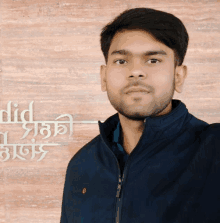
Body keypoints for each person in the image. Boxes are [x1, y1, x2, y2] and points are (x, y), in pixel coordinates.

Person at [60, 7, 220, 223]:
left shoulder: (213, 150)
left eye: (153, 60)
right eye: (121, 61)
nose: (136, 72)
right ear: (104, 77)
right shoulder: (83, 164)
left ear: (178, 76)